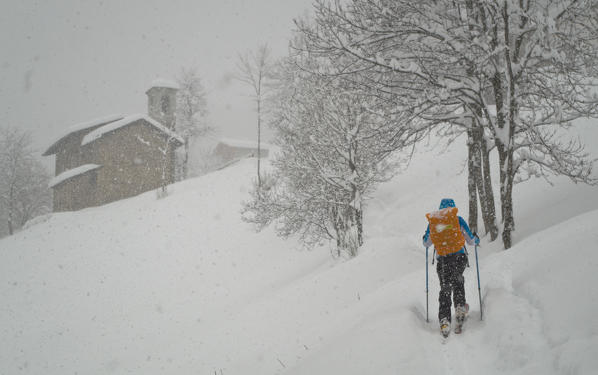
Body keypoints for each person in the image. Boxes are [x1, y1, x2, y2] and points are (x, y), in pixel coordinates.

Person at [423, 198, 479, 336]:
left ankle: (444, 319)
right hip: (459, 257)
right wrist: (476, 239)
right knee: (458, 281)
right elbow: (471, 241)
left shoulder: (434, 223)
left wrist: (426, 236)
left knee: (445, 287)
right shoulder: (457, 220)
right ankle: (460, 307)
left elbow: (426, 243)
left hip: (443, 260)